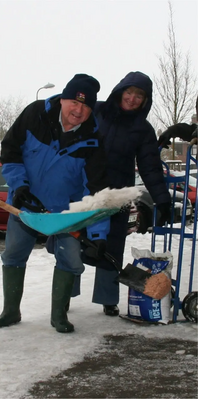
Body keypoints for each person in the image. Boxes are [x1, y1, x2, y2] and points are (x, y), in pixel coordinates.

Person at [0, 74, 110, 333]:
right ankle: (10, 311)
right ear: (63, 99)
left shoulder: (93, 140)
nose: (78, 110)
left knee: (71, 262)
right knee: (13, 255)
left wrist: (99, 234)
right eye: (74, 103)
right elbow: (10, 152)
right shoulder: (35, 115)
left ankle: (59, 316)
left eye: (86, 106)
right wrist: (19, 186)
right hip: (25, 207)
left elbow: (96, 192)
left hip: (63, 215)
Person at [73, 71, 172, 316]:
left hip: (118, 194)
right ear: (120, 91)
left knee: (112, 245)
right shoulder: (97, 111)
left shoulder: (143, 129)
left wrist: (162, 199)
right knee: (74, 241)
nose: (132, 99)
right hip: (84, 190)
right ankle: (65, 293)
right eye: (129, 92)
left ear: (145, 100)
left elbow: (150, 166)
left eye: (139, 95)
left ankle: (107, 298)